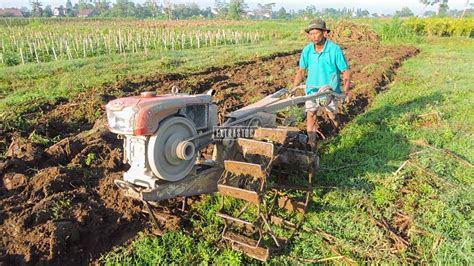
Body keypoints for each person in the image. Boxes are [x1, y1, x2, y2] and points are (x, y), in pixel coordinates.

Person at [293, 19, 352, 149]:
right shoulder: (307, 50)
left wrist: (346, 91)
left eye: (316, 33)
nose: (313, 36)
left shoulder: (334, 50)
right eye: (311, 34)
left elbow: (345, 71)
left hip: (329, 91)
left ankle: (336, 130)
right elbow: (301, 71)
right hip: (311, 91)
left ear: (324, 33)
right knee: (311, 114)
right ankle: (312, 143)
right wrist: (293, 88)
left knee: (332, 114)